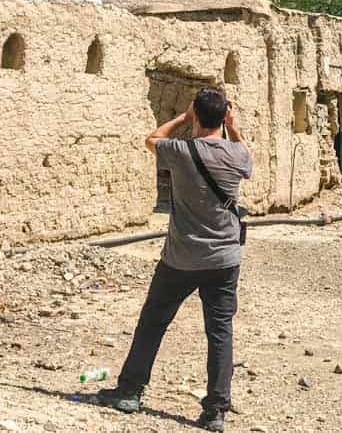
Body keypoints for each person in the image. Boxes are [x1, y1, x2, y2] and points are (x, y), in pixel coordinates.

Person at [97, 86, 251, 432]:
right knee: (220, 332)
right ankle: (215, 411)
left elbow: (151, 138)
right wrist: (233, 125)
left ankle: (130, 391)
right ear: (225, 115)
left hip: (180, 258)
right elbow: (246, 155)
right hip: (224, 258)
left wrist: (183, 117)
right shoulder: (235, 154)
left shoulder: (180, 150)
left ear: (197, 113)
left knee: (153, 323)